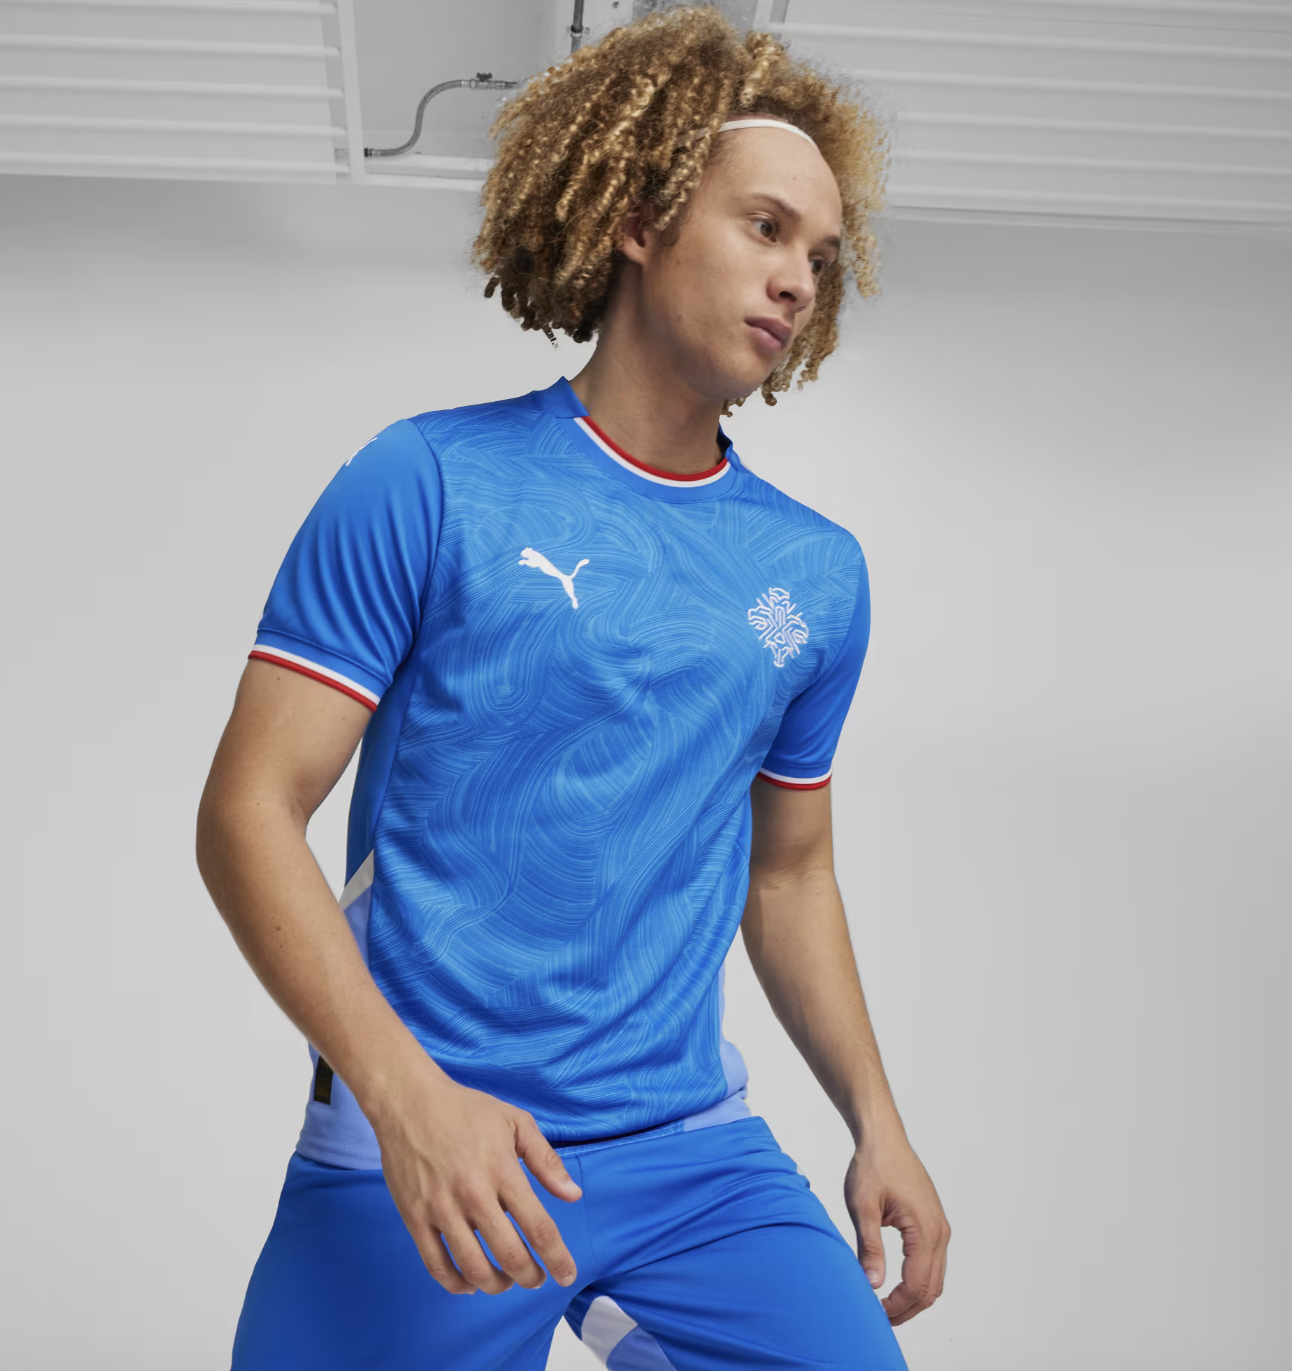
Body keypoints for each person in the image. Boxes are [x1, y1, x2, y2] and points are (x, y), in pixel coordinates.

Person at [197, 7, 950, 1368]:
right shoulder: (429, 481)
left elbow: (789, 874)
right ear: (641, 220)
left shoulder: (815, 574)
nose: (798, 279)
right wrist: (407, 1102)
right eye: (766, 228)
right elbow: (248, 813)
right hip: (425, 1143)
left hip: (691, 1159)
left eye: (821, 257)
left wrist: (876, 1119)